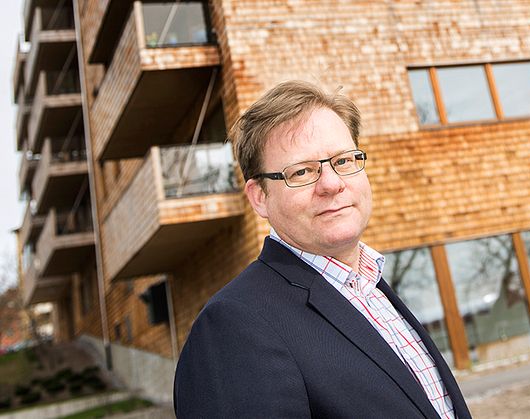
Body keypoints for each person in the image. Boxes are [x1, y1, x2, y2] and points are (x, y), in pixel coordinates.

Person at [173, 80, 472, 419]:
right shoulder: (232, 327)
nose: (332, 183)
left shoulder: (372, 290)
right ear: (259, 196)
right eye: (301, 171)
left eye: (343, 160)